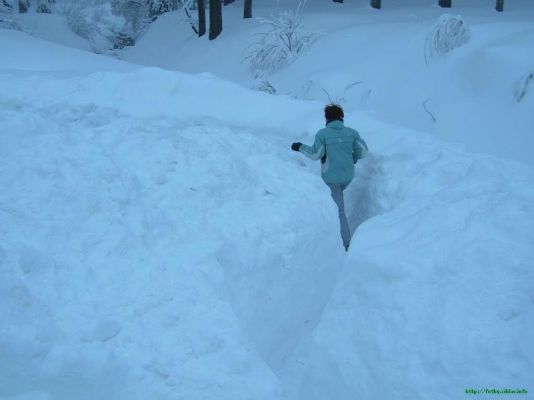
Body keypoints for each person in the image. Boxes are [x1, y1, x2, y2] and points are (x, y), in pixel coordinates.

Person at [291, 104, 368, 252]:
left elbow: (315, 154)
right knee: (337, 201)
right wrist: (354, 157)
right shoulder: (351, 132)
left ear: (326, 118)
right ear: (341, 117)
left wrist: (299, 146)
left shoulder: (323, 134)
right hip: (348, 176)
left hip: (332, 179)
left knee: (339, 210)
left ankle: (347, 244)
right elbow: (363, 151)